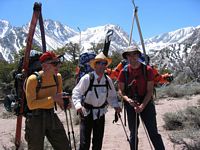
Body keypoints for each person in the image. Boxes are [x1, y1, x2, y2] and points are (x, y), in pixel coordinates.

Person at [117, 45, 165, 150]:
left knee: (153, 132)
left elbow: (149, 91)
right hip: (131, 104)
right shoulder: (123, 72)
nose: (132, 57)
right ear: (126, 57)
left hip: (146, 102)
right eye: (129, 55)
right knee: (133, 134)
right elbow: (120, 90)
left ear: (138, 55)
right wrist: (127, 99)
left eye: (134, 54)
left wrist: (142, 106)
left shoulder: (147, 70)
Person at [72, 52, 122, 150]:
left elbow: (111, 96)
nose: (102, 66)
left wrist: (116, 106)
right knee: (84, 143)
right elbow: (76, 92)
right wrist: (78, 106)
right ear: (95, 65)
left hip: (100, 114)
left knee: (98, 141)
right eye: (99, 63)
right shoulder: (87, 78)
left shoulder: (107, 80)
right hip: (86, 113)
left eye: (104, 64)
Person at [25, 51, 70, 150]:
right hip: (35, 118)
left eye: (58, 62)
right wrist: (53, 98)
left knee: (64, 146)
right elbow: (31, 105)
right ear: (45, 66)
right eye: (54, 63)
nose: (58, 66)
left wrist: (64, 104)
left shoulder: (58, 77)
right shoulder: (33, 80)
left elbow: (58, 97)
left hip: (51, 115)